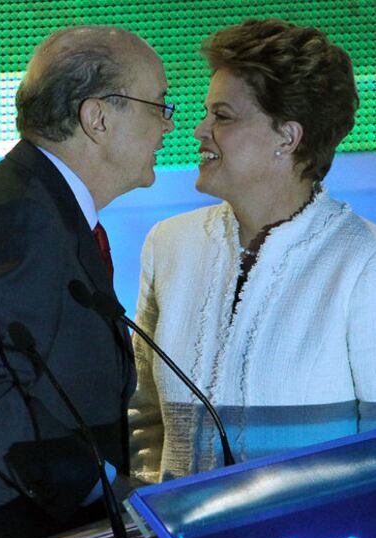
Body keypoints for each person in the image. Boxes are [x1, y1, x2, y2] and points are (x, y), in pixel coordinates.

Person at [0, 25, 174, 538]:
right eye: (160, 105)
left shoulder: (41, 204)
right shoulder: (14, 217)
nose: (168, 126)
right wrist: (97, 487)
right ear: (97, 118)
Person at [129, 18, 376, 484]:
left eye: (222, 116)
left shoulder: (364, 261)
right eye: (206, 113)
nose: (199, 129)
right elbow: (144, 419)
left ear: (288, 137)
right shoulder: (168, 244)